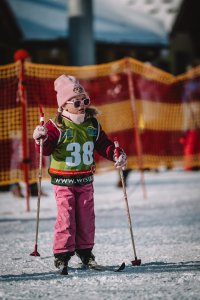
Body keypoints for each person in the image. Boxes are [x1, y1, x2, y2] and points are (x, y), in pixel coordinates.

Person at [33, 75, 127, 275]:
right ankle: (62, 254)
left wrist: (116, 154)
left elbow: (104, 145)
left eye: (85, 101)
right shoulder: (57, 125)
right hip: (63, 180)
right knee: (66, 216)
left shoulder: (92, 124)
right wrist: (40, 139)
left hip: (85, 179)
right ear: (64, 105)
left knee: (86, 217)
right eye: (77, 102)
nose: (82, 105)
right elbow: (47, 149)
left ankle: (85, 252)